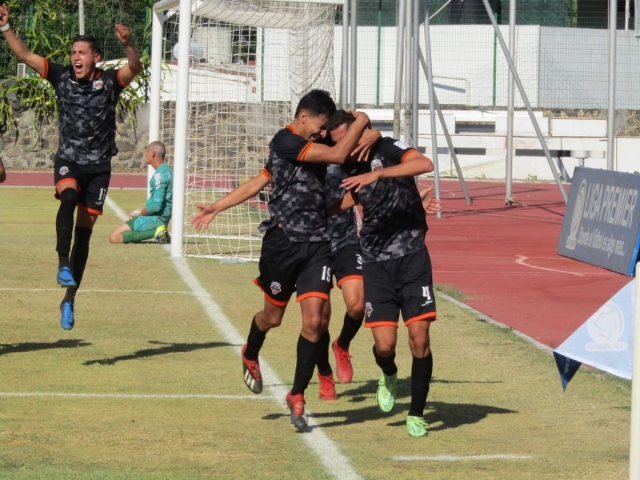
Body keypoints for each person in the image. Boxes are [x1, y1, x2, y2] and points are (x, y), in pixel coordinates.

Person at [193, 89, 371, 431]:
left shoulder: (310, 144)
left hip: (318, 244)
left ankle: (297, 395)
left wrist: (366, 128)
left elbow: (261, 179)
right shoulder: (285, 142)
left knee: (315, 322)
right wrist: (218, 205)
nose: (321, 131)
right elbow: (334, 156)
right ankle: (250, 350)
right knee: (272, 317)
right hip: (282, 244)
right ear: (303, 116)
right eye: (319, 125)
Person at [0, 3, 143, 330]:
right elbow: (24, 55)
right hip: (70, 160)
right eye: (73, 52)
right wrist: (5, 27)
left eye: (82, 52)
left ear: (95, 57)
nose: (75, 57)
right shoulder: (60, 75)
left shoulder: (109, 82)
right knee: (66, 198)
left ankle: (70, 299)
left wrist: (128, 45)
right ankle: (62, 262)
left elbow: (134, 67)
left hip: (99, 169)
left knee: (85, 236)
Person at [328, 110, 441, 437]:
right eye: (338, 143)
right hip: (376, 262)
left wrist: (380, 174)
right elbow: (353, 194)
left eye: (346, 138)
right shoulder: (345, 162)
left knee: (419, 339)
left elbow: (424, 164)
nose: (343, 147)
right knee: (385, 346)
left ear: (359, 130)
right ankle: (388, 373)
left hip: (413, 258)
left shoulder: (389, 147)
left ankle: (417, 413)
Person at [109, 142, 172, 245]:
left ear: (153, 154)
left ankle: (158, 232)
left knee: (114, 237)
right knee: (131, 233)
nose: (145, 155)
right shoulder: (167, 171)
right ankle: (159, 232)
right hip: (162, 217)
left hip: (155, 219)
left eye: (146, 152)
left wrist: (139, 213)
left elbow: (155, 207)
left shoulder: (159, 176)